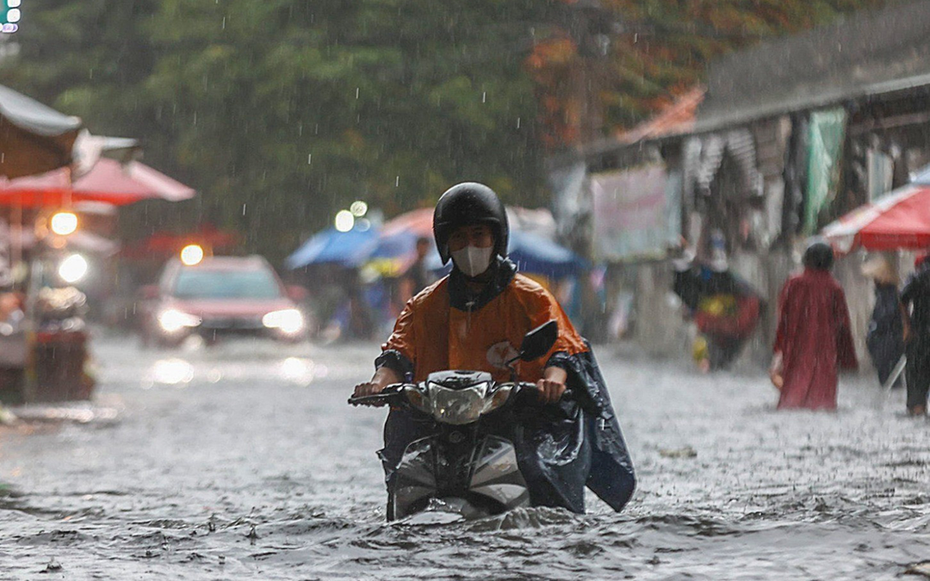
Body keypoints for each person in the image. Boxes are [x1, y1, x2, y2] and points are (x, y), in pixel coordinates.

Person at [352, 182, 635, 514]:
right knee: (402, 468)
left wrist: (553, 381)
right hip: (438, 423)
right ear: (445, 243)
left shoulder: (532, 298)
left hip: (516, 419)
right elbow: (397, 354)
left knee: (539, 473)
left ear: (496, 238)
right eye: (458, 238)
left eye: (478, 236)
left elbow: (561, 348)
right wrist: (378, 383)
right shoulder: (424, 305)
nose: (469, 247)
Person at [771, 239, 857, 410]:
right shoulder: (835, 288)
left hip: (797, 344)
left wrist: (779, 347)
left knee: (794, 392)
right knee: (822, 396)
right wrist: (847, 358)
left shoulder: (793, 283)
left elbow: (783, 318)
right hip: (825, 348)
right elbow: (843, 325)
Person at [862, 255, 903, 388]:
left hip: (887, 341)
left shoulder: (888, 295)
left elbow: (885, 316)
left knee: (888, 377)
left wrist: (875, 330)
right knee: (887, 377)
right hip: (886, 341)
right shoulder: (885, 294)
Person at [899, 253, 930, 416]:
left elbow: (902, 298)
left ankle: (917, 409)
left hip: (919, 337)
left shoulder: (918, 277)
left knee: (917, 386)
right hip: (920, 335)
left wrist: (907, 326)